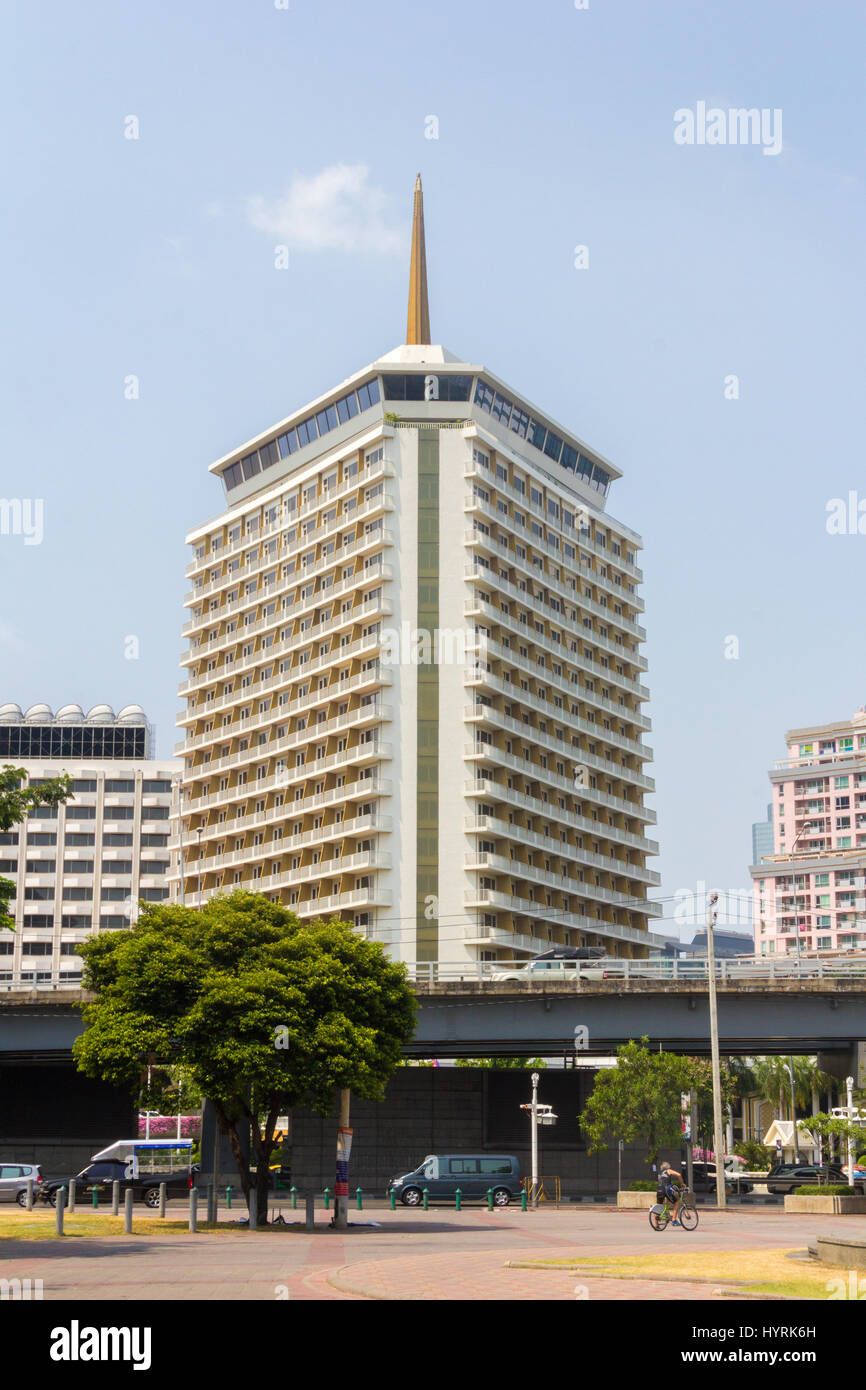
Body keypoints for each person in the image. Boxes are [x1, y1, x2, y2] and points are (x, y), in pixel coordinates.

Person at [657, 1160, 684, 1225]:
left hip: (659, 1189)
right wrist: (682, 1183)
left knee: (658, 1206)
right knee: (677, 1203)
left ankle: (656, 1225)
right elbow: (679, 1175)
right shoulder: (668, 1171)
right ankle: (674, 1220)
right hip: (666, 1189)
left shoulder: (660, 1174)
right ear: (668, 1167)